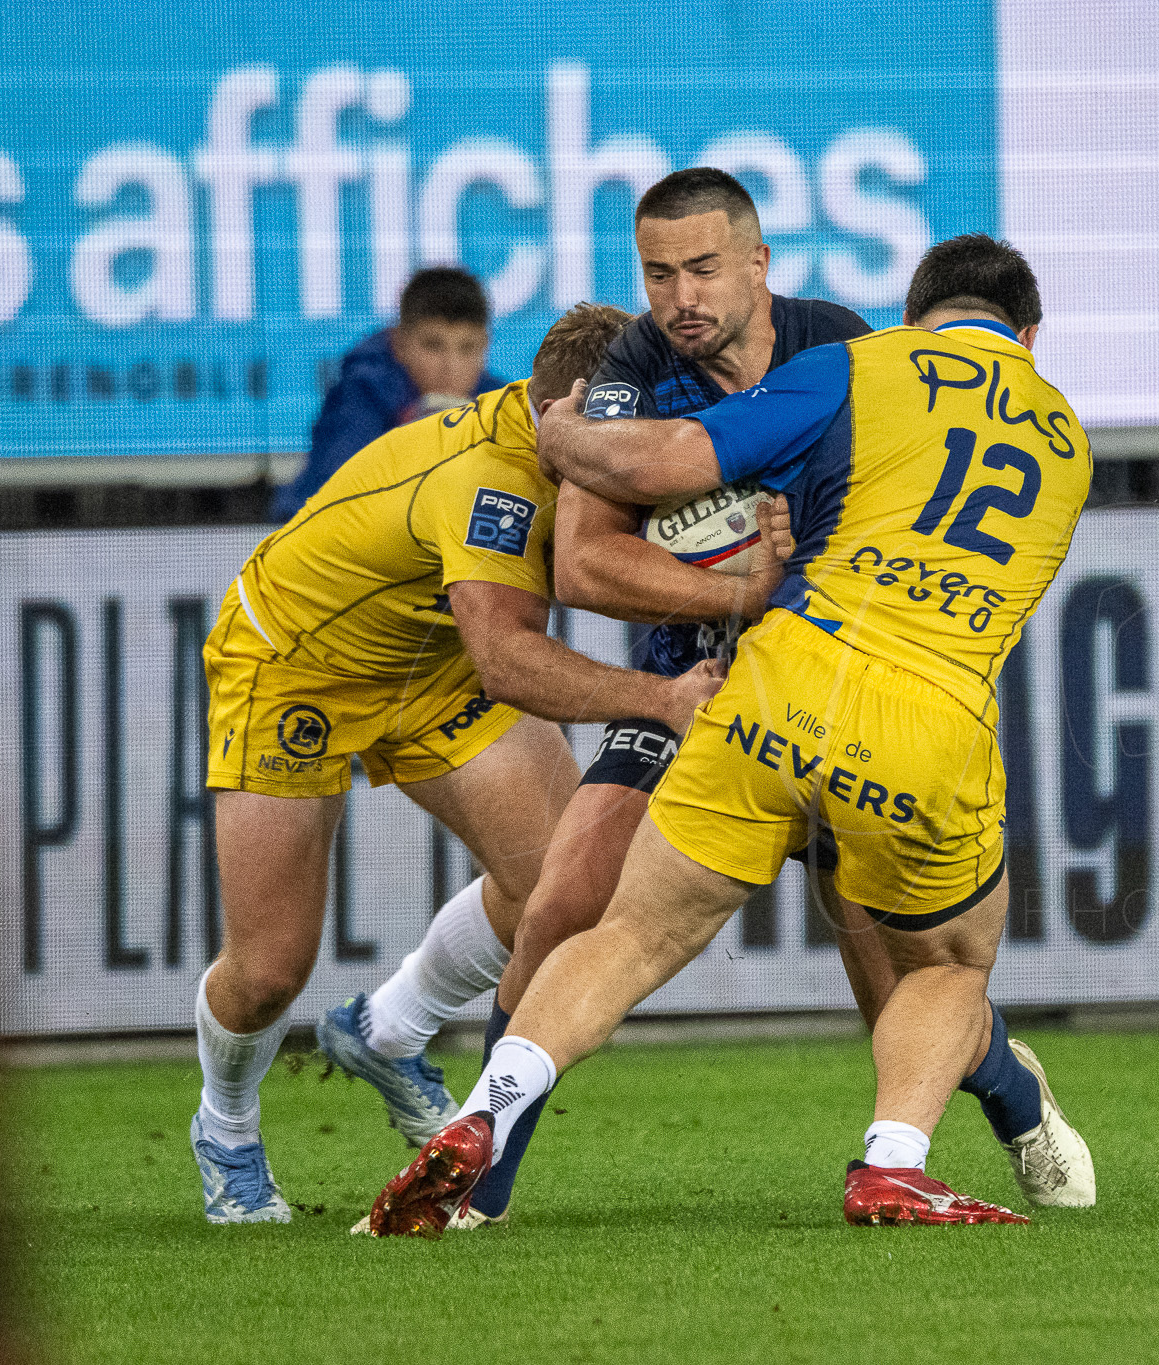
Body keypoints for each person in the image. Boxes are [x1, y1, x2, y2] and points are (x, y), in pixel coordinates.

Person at [363, 233, 1092, 1234]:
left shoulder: (846, 357)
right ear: (1030, 337)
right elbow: (591, 561)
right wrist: (737, 565)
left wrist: (565, 440)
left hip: (774, 689)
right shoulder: (1065, 436)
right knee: (933, 966)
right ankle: (882, 1166)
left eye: (699, 273)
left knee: (700, 946)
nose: (684, 298)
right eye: (666, 276)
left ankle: (1011, 1099)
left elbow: (686, 461)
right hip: (834, 706)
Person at [191, 303, 727, 1224]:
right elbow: (510, 660)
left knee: (563, 886)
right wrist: (662, 697)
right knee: (270, 967)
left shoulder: (578, 432)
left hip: (430, 665)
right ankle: (226, 1126)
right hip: (296, 665)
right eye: (635, 420)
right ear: (567, 406)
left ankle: (388, 1028)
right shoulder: (495, 483)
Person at [269, 267, 505, 520]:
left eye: (468, 348)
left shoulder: (501, 403)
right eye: (433, 346)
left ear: (486, 346)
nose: (451, 366)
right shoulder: (361, 394)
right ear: (400, 344)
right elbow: (335, 499)